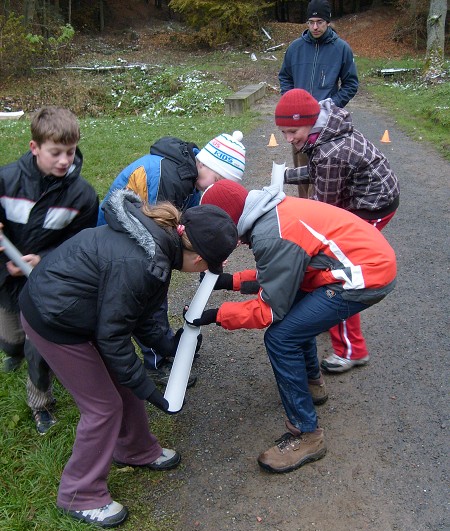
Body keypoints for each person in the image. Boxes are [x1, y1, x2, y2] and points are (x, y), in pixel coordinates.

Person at [18, 189, 238, 528]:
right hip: (54, 320)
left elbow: (143, 315)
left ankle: (136, 449)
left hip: (86, 313)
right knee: (103, 406)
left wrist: (171, 347)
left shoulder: (158, 248)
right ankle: (79, 493)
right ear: (197, 258)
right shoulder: (139, 261)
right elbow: (114, 337)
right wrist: (152, 391)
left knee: (123, 384)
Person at [193, 179, 397, 474]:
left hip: (365, 275)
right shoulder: (269, 213)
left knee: (281, 336)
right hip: (356, 262)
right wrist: (231, 282)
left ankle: (307, 434)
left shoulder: (270, 234)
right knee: (294, 319)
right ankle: (313, 384)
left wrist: (217, 315)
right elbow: (280, 273)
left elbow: (270, 309)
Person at [96, 132, 246, 387]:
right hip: (121, 240)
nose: (214, 188)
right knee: (150, 295)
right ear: (206, 164)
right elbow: (154, 234)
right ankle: (157, 360)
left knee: (156, 288)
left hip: (142, 236)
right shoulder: (169, 178)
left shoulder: (191, 177)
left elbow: (194, 225)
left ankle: (167, 347)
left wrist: (209, 256)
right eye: (217, 180)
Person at [275, 88, 400, 373]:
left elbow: (322, 214)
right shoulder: (325, 133)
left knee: (342, 273)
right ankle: (322, 318)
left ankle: (351, 349)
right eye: (282, 132)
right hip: (365, 200)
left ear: (309, 120)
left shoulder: (331, 149)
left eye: (292, 130)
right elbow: (319, 171)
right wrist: (283, 177)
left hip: (373, 207)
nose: (288, 139)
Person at [0, 106, 99, 434]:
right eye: (55, 153)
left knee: (38, 345)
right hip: (5, 277)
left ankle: (40, 403)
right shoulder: (6, 179)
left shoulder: (82, 195)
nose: (63, 160)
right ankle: (11, 350)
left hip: (44, 282)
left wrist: (44, 258)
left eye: (69, 152)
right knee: (11, 339)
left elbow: (81, 243)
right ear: (34, 147)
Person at [278, 0, 358, 197]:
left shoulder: (341, 49)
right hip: (300, 123)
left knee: (324, 174)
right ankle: (305, 211)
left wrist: (331, 105)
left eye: (320, 22)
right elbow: (285, 77)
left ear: (328, 22)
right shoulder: (295, 48)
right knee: (302, 175)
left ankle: (323, 213)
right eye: (311, 22)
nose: (315, 26)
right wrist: (290, 100)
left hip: (327, 125)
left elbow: (351, 84)